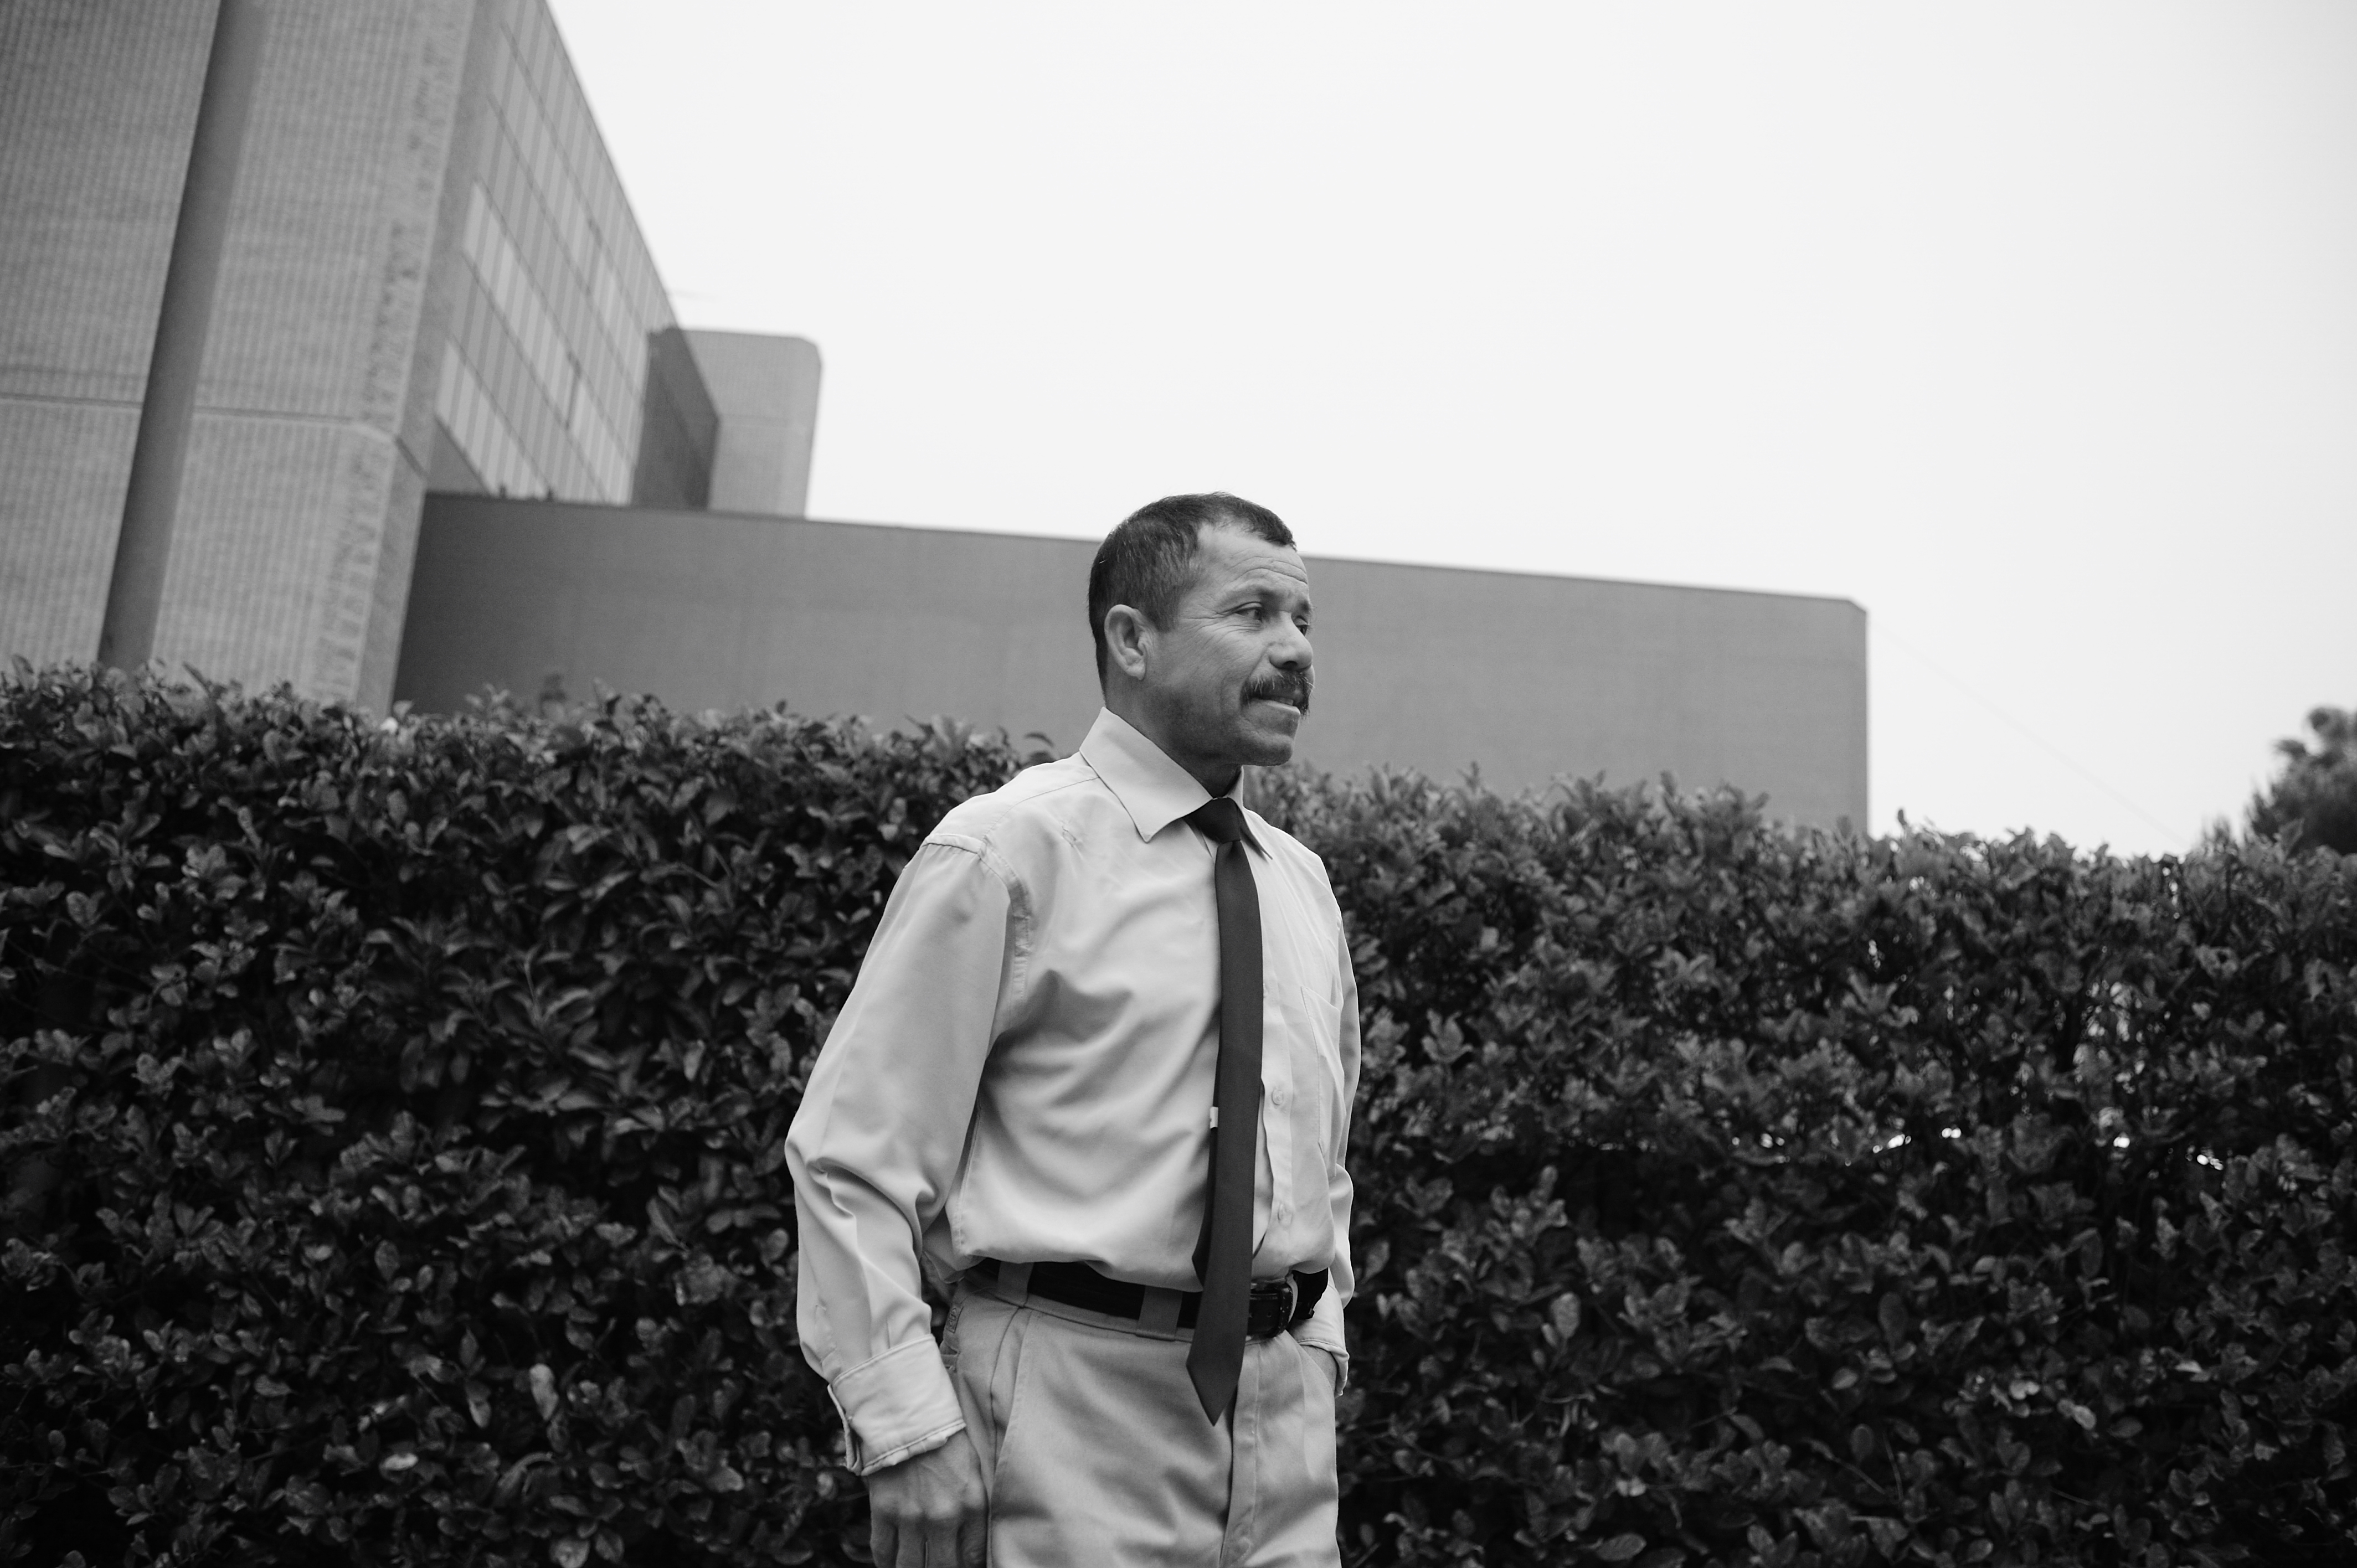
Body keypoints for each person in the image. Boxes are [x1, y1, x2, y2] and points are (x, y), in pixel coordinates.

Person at [785, 492, 1361, 1567]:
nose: (1295, 650)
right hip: (1065, 1412)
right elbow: (851, 1159)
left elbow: (1320, 1165)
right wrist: (905, 1427)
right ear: (1131, 639)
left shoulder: (1302, 887)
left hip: (1284, 1435)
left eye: (1303, 619)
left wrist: (1319, 1348)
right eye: (1251, 614)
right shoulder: (1006, 853)